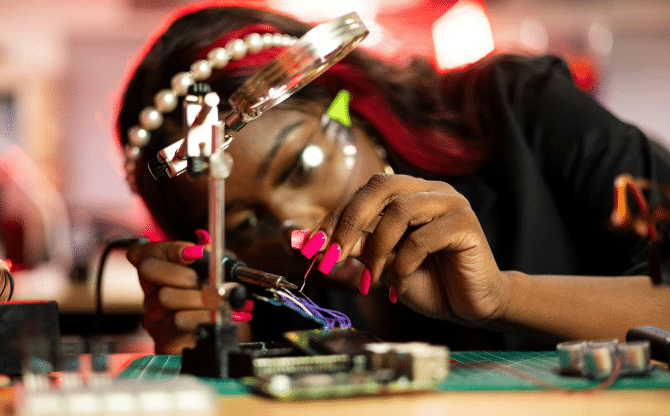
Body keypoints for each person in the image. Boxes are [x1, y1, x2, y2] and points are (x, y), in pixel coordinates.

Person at [116, 3, 670, 354]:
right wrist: (207, 361)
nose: (295, 224)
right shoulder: (266, 292)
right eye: (245, 223)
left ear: (349, 102)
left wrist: (503, 296)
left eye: (299, 166)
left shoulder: (517, 108)